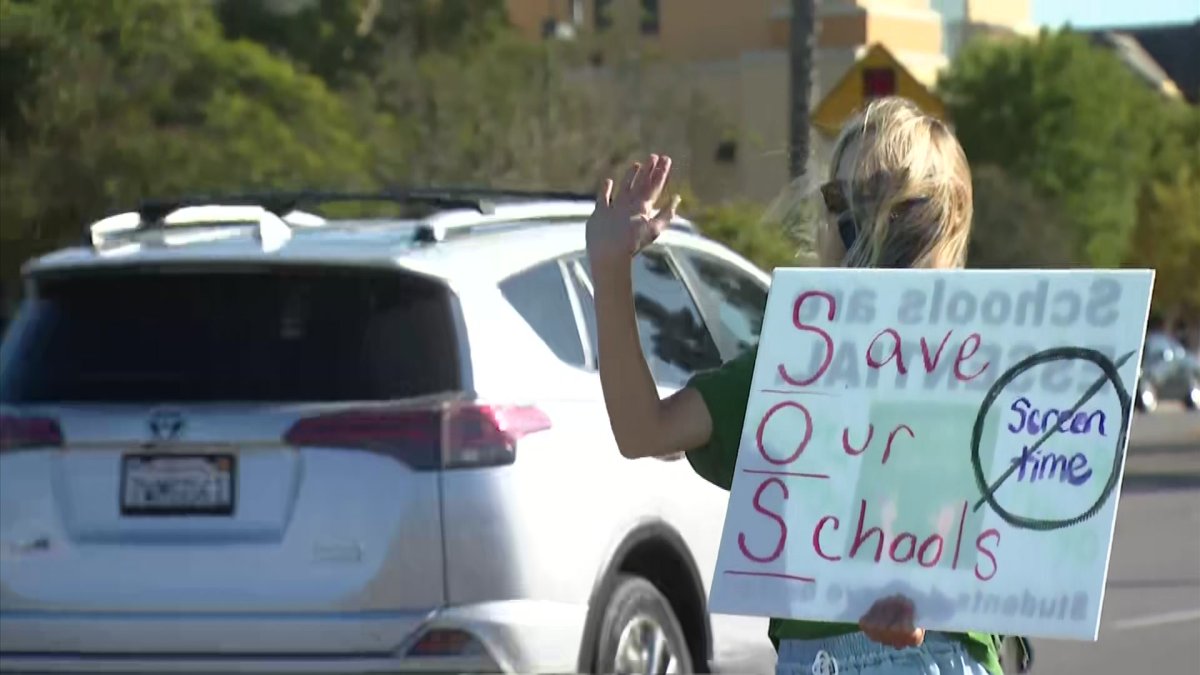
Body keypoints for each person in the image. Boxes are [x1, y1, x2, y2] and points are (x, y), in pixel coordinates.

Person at [585, 97, 1008, 675]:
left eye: (895, 205)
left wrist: (933, 600)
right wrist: (610, 269)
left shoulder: (987, 364)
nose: (870, 227)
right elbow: (642, 430)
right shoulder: (793, 368)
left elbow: (1025, 528)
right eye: (847, 201)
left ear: (945, 218)